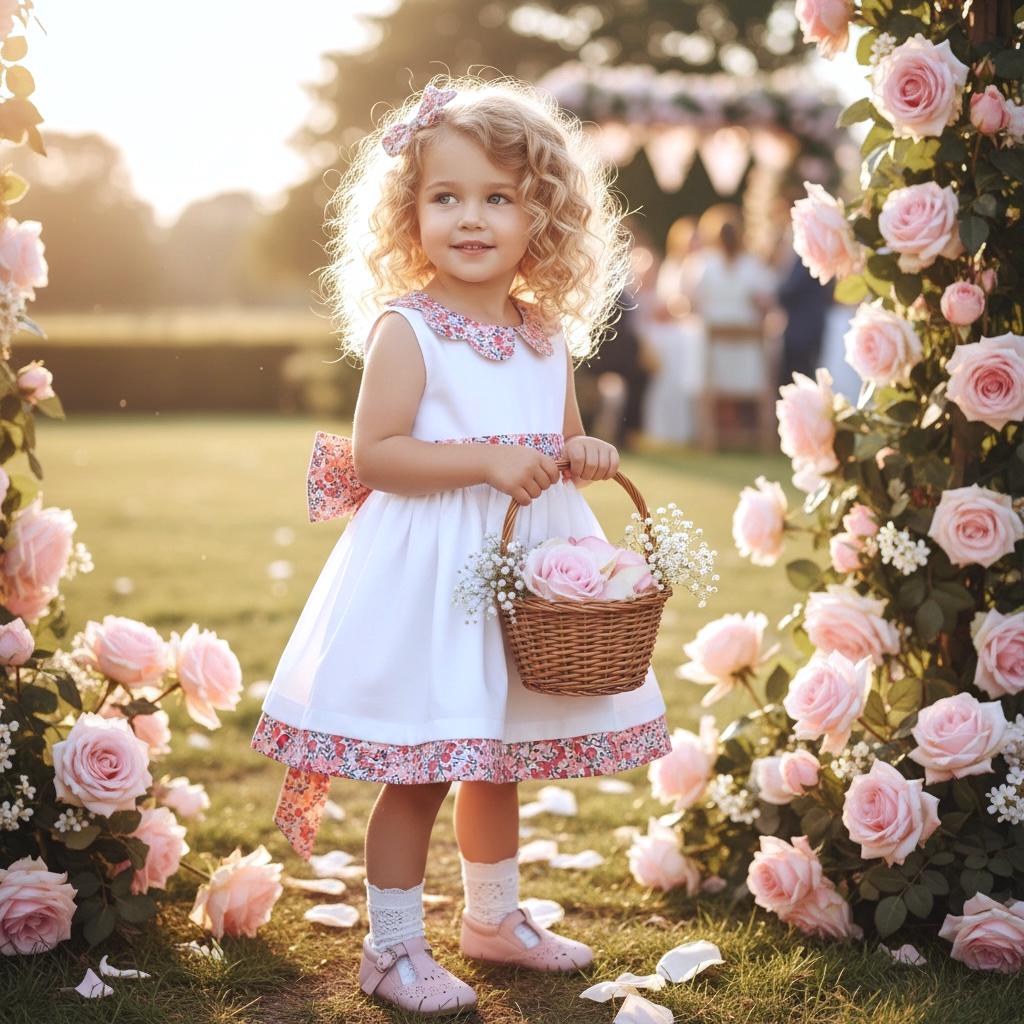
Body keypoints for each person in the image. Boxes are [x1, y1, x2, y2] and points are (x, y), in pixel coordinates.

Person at [249, 76, 674, 1017]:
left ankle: (492, 918)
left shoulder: (546, 335)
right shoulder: (409, 329)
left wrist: (585, 452)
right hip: (434, 570)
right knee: (427, 763)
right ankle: (392, 948)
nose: (471, 219)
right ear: (411, 213)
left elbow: (556, 441)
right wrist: (485, 460)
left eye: (498, 198)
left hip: (519, 573)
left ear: (542, 217)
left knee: (500, 754)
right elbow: (378, 457)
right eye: (446, 198)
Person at [689, 205, 777, 449]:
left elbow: (692, 301)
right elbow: (765, 302)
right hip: (747, 358)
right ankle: (763, 437)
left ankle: (706, 437)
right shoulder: (753, 265)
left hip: (714, 354)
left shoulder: (703, 264)